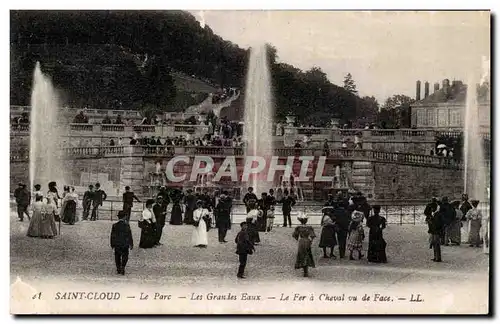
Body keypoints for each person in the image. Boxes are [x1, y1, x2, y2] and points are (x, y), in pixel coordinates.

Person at [292, 213, 316, 277]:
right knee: (307, 254)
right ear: (306, 221)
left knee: (301, 254)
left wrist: (298, 239)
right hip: (307, 241)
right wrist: (311, 241)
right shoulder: (309, 227)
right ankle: (306, 270)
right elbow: (313, 236)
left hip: (301, 241)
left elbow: (294, 235)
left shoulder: (298, 227)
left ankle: (304, 269)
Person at [110, 210, 134, 275]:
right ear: (125, 217)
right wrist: (131, 244)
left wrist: (112, 244)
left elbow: (112, 236)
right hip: (125, 244)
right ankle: (123, 267)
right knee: (125, 256)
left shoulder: (114, 225)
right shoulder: (127, 225)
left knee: (117, 256)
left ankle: (118, 268)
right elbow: (129, 235)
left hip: (117, 244)